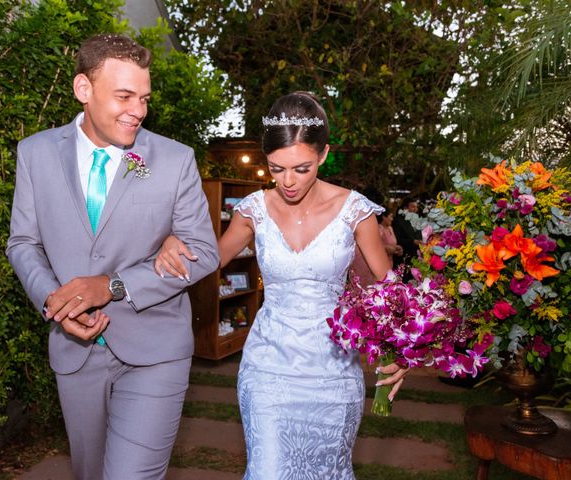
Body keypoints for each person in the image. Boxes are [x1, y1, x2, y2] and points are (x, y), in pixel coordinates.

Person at [155, 92, 409, 478]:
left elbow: (387, 287)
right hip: (267, 369)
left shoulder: (356, 210)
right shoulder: (252, 209)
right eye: (276, 169)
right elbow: (206, 259)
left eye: (301, 168)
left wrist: (399, 351)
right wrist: (173, 242)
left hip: (333, 373)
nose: (288, 182)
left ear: (323, 155)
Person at [6, 34, 219, 480]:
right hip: (74, 350)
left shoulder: (174, 159)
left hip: (156, 350)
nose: (138, 111)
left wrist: (113, 285)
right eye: (124, 96)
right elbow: (23, 243)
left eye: (143, 98)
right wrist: (55, 302)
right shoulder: (35, 153)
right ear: (84, 89)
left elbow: (201, 252)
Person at [350, 206, 402, 286]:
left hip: (386, 261)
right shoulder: (377, 229)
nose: (392, 219)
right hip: (370, 263)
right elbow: (375, 246)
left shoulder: (389, 228)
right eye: (390, 216)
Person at [391, 196, 422, 268]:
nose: (416, 209)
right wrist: (412, 241)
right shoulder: (398, 221)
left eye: (416, 207)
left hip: (416, 256)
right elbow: (397, 240)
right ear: (405, 208)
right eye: (413, 207)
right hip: (403, 257)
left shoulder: (416, 220)